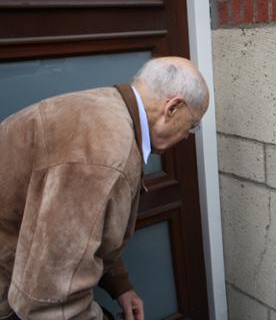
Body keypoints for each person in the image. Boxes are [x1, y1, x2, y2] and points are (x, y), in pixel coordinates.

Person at [0, 57, 209, 320]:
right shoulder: (106, 154)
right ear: (173, 107)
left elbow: (84, 228)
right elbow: (51, 304)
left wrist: (119, 285)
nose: (187, 136)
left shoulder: (106, 107)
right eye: (192, 125)